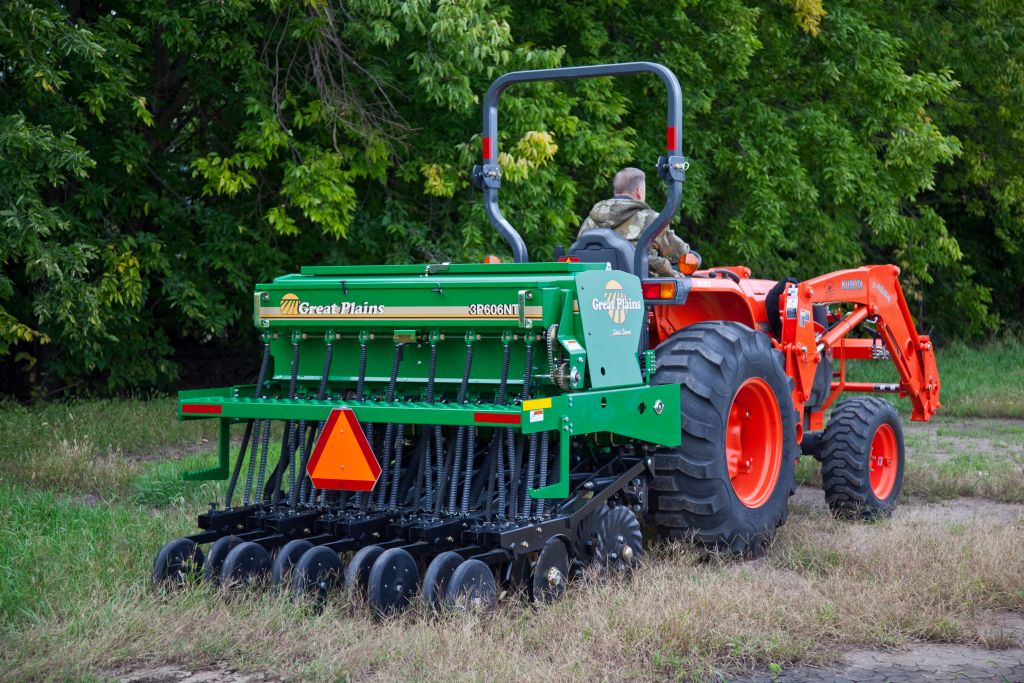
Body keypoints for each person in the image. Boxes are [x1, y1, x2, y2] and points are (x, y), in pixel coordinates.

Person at [578, 167, 690, 277]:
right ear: (639, 192)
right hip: (638, 289)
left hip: (593, 286)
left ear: (615, 191)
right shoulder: (651, 219)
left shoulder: (590, 221)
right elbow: (678, 254)